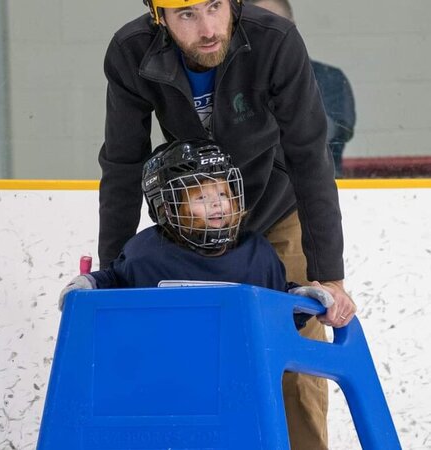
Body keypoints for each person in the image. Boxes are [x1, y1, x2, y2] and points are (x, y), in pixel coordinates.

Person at [98, 1, 357, 448]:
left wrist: (327, 275)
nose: (208, 28)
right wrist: (114, 275)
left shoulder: (275, 40)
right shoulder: (130, 50)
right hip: (192, 222)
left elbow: (309, 155)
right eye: (186, 15)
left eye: (215, 6)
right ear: (159, 17)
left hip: (277, 207)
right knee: (186, 356)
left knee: (295, 359)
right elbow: (123, 164)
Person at [61, 139, 335, 333]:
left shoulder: (257, 254)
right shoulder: (146, 253)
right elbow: (116, 283)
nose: (217, 204)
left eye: (223, 195)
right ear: (167, 208)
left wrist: (300, 300)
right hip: (163, 379)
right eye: (201, 197)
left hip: (239, 380)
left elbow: (276, 309)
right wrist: (88, 285)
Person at [248, 0, 357, 178]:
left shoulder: (330, 78)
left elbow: (320, 136)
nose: (267, 34)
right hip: (251, 192)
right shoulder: (229, 82)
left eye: (274, 23)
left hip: (322, 189)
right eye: (256, 26)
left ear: (292, 26)